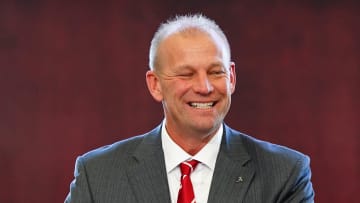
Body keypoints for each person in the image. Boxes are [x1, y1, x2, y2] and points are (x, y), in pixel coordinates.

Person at [65, 14, 314, 203]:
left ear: (232, 78)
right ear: (155, 85)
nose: (204, 87)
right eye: (186, 74)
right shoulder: (97, 175)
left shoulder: (285, 174)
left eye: (216, 72)